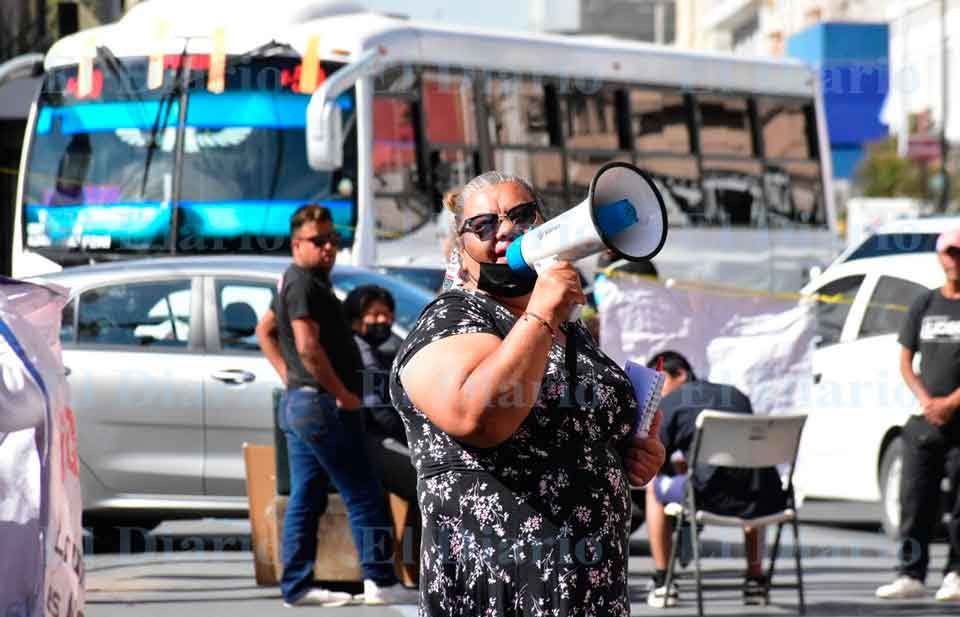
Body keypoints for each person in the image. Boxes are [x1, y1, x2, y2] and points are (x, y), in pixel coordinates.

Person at [389, 171, 666, 616]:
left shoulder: (566, 328)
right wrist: (540, 313)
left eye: (521, 215)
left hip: (588, 587)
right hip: (504, 585)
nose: (505, 231)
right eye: (482, 225)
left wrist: (633, 456)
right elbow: (479, 417)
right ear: (460, 246)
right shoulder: (452, 319)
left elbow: (575, 431)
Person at [255, 204, 417, 607]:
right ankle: (380, 580)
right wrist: (341, 394)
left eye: (333, 239)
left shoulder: (302, 280)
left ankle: (297, 586)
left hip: (305, 402)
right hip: (322, 405)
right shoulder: (302, 284)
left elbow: (265, 330)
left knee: (307, 496)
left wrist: (290, 376)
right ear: (297, 244)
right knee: (364, 492)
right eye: (318, 241)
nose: (328, 247)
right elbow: (307, 347)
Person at [643, 351, 787, 608]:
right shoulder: (735, 395)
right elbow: (742, 454)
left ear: (680, 374)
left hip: (706, 496)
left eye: (658, 382)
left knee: (654, 488)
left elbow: (657, 461)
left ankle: (664, 581)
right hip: (760, 497)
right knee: (750, 477)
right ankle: (755, 580)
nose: (656, 392)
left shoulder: (671, 402)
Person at [876, 228, 960, 602]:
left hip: (958, 419)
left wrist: (951, 402)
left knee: (958, 505)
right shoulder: (924, 303)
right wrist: (927, 400)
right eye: (950, 253)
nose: (955, 260)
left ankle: (956, 573)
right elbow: (906, 361)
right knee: (915, 500)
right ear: (940, 257)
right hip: (926, 420)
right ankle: (910, 573)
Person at [343, 285, 421, 573]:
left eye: (387, 314)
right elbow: (379, 412)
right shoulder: (360, 353)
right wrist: (413, 438)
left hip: (376, 439)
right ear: (355, 318)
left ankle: (413, 565)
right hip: (368, 443)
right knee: (423, 484)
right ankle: (415, 566)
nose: (383, 321)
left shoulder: (377, 352)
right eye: (374, 314)